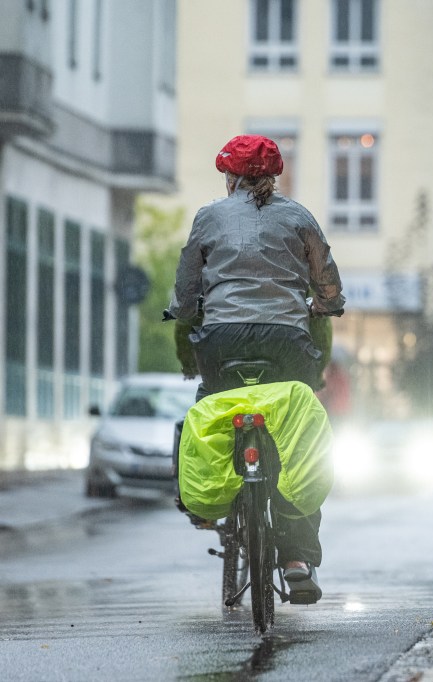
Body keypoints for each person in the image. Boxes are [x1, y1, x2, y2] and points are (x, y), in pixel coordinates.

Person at [167, 134, 346, 603]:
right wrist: (328, 304)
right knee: (297, 436)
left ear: (230, 177)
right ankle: (296, 559)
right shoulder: (298, 216)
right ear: (272, 176)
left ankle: (210, 502)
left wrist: (181, 310)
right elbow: (325, 273)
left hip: (223, 342)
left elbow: (187, 283)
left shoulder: (209, 217)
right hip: (286, 341)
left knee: (212, 407)